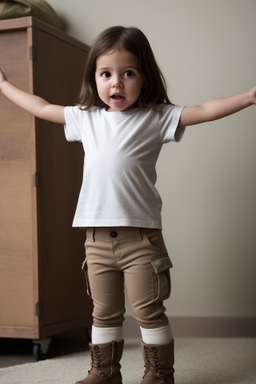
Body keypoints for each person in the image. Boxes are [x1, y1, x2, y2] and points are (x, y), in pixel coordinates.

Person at [0, 25, 255, 384]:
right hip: (96, 239)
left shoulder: (156, 117)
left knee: (149, 311)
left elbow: (205, 109)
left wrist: (247, 97)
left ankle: (159, 373)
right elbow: (41, 108)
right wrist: (3, 85)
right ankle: (104, 372)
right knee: (103, 313)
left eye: (128, 73)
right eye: (106, 74)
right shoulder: (86, 118)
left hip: (141, 240)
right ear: (94, 78)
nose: (116, 84)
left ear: (145, 78)